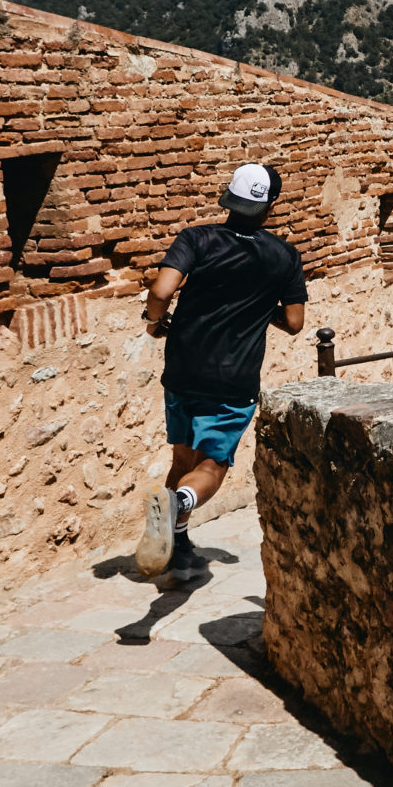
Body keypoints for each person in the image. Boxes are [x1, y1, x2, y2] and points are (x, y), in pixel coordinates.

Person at [134, 163, 309, 583]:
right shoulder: (284, 256)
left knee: (182, 457)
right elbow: (295, 322)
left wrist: (154, 322)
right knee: (211, 467)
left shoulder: (197, 238)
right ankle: (180, 505)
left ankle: (177, 544)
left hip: (182, 369)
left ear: (227, 197)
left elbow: (161, 292)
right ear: (270, 205)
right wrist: (262, 305)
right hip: (233, 380)